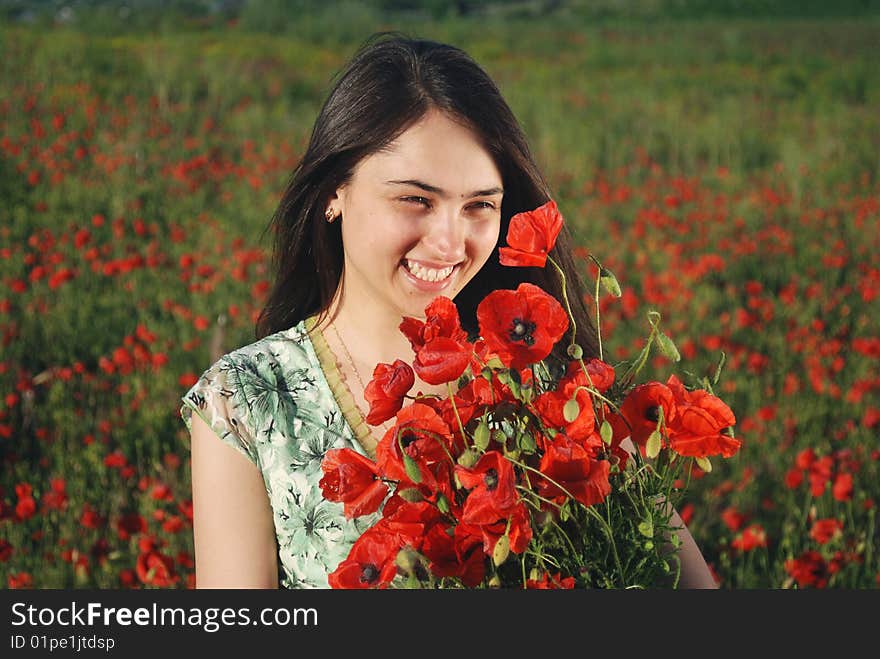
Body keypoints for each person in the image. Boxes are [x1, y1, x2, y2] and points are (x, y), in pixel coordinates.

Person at [180, 33, 717, 589]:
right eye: (416, 199)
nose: (450, 243)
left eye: (479, 205)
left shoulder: (551, 392)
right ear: (332, 193)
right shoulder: (245, 404)